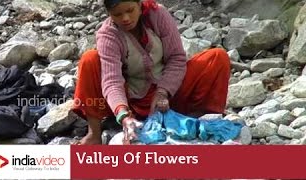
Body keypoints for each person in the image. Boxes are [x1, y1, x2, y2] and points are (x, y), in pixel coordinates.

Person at [72, 0, 231, 145]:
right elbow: (112, 81)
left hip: (170, 93)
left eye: (130, 10)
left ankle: (197, 118)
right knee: (89, 59)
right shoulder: (108, 35)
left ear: (140, 5)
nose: (125, 18)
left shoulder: (158, 15)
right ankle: (94, 133)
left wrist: (163, 92)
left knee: (217, 57)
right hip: (131, 100)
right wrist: (123, 115)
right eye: (117, 15)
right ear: (109, 14)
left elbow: (176, 58)